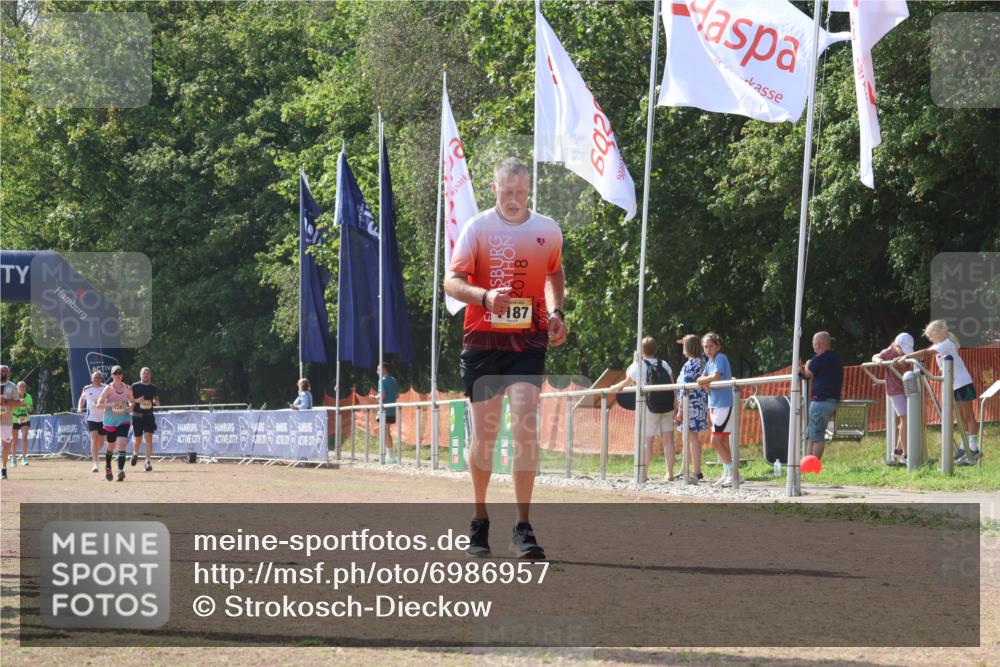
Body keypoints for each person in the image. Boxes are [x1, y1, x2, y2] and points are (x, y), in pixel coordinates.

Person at [444, 156, 566, 560]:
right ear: (495, 189)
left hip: (528, 343)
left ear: (529, 189)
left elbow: (554, 273)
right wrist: (484, 297)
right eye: (507, 191)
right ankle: (479, 519)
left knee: (525, 429)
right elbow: (451, 281)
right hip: (482, 344)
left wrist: (555, 313)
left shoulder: (546, 229)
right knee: (485, 440)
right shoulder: (478, 228)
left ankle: (523, 527)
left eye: (521, 192)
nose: (514, 199)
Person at [901, 319, 980, 465]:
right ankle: (964, 447)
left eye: (931, 335)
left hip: (962, 383)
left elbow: (926, 352)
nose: (929, 338)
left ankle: (974, 447)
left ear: (939, 333)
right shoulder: (938, 344)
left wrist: (907, 356)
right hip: (954, 385)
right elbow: (928, 351)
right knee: (960, 417)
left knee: (968, 416)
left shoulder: (946, 344)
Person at [610, 336, 676, 482]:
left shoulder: (639, 365)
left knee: (648, 441)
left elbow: (625, 382)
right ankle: (670, 473)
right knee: (668, 440)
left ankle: (644, 473)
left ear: (641, 350)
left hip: (649, 406)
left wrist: (613, 388)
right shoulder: (664, 364)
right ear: (655, 348)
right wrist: (676, 404)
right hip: (667, 405)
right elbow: (672, 385)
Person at [697, 333, 737, 487]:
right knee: (723, 441)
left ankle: (733, 473)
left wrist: (703, 381)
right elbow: (703, 379)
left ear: (718, 346)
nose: (708, 350)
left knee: (715, 441)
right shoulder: (709, 361)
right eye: (705, 347)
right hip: (714, 405)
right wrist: (703, 382)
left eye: (711, 346)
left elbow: (716, 376)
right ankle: (729, 473)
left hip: (723, 404)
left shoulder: (720, 358)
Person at [798, 331, 843, 460]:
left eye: (813, 344)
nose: (813, 347)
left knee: (816, 436)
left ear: (818, 344)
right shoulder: (835, 358)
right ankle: (807, 463)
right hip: (831, 401)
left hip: (821, 402)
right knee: (810, 435)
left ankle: (814, 465)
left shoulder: (820, 358)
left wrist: (806, 364)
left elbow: (806, 374)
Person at [873, 333, 913, 463]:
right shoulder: (888, 352)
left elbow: (914, 364)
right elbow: (875, 356)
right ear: (896, 345)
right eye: (902, 349)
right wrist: (879, 360)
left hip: (906, 388)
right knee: (905, 418)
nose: (903, 352)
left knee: (908, 419)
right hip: (894, 390)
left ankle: (898, 450)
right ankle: (906, 454)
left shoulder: (907, 353)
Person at [674, 334, 707, 481]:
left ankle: (696, 471)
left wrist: (680, 410)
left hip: (690, 405)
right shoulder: (702, 362)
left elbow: (684, 389)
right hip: (699, 404)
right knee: (689, 437)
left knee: (691, 438)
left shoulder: (690, 365)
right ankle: (684, 469)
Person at [96, 366, 135, 482]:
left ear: (122, 375)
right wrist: (111, 405)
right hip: (110, 421)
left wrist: (130, 408)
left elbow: (132, 402)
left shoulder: (128, 389)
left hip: (124, 419)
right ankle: (108, 466)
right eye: (115, 373)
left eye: (119, 373)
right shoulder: (109, 389)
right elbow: (98, 404)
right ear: (112, 376)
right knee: (111, 446)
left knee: (122, 444)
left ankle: (121, 470)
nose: (118, 375)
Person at [130, 367, 160, 471]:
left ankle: (147, 462)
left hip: (149, 416)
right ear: (140, 375)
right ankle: (135, 454)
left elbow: (157, 400)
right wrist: (137, 401)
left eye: (147, 374)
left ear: (150, 375)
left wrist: (156, 402)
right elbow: (129, 400)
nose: (145, 376)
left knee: (149, 438)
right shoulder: (135, 386)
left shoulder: (153, 387)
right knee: (138, 439)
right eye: (144, 374)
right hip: (137, 416)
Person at [78, 370, 107, 473]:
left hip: (103, 418)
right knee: (93, 439)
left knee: (101, 443)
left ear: (101, 379)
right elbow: (82, 399)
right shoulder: (87, 388)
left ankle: (95, 453)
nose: (97, 379)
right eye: (95, 377)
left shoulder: (105, 388)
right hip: (91, 418)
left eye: (99, 377)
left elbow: (110, 399)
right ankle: (95, 463)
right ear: (91, 379)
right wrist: (79, 408)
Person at [372, 364, 399, 464]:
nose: (377, 371)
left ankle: (389, 456)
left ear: (384, 370)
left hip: (384, 411)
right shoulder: (394, 380)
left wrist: (374, 397)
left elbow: (383, 395)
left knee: (385, 432)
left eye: (378, 369)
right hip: (391, 410)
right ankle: (389, 455)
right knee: (386, 432)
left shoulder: (381, 381)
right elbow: (397, 395)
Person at [1, 365, 24, 481]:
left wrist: (5, 401)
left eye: (4, 372)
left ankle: (3, 469)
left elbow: (18, 403)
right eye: (0, 372)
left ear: (8, 374)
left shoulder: (12, 386)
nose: (2, 373)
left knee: (5, 444)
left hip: (6, 419)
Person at [10, 381, 33, 467]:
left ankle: (24, 458)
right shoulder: (13, 397)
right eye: (21, 387)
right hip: (15, 419)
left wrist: (26, 404)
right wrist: (18, 403)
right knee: (15, 440)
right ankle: (13, 458)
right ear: (17, 389)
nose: (23, 389)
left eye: (24, 387)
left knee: (24, 437)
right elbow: (10, 408)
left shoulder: (29, 397)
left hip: (25, 420)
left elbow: (30, 410)